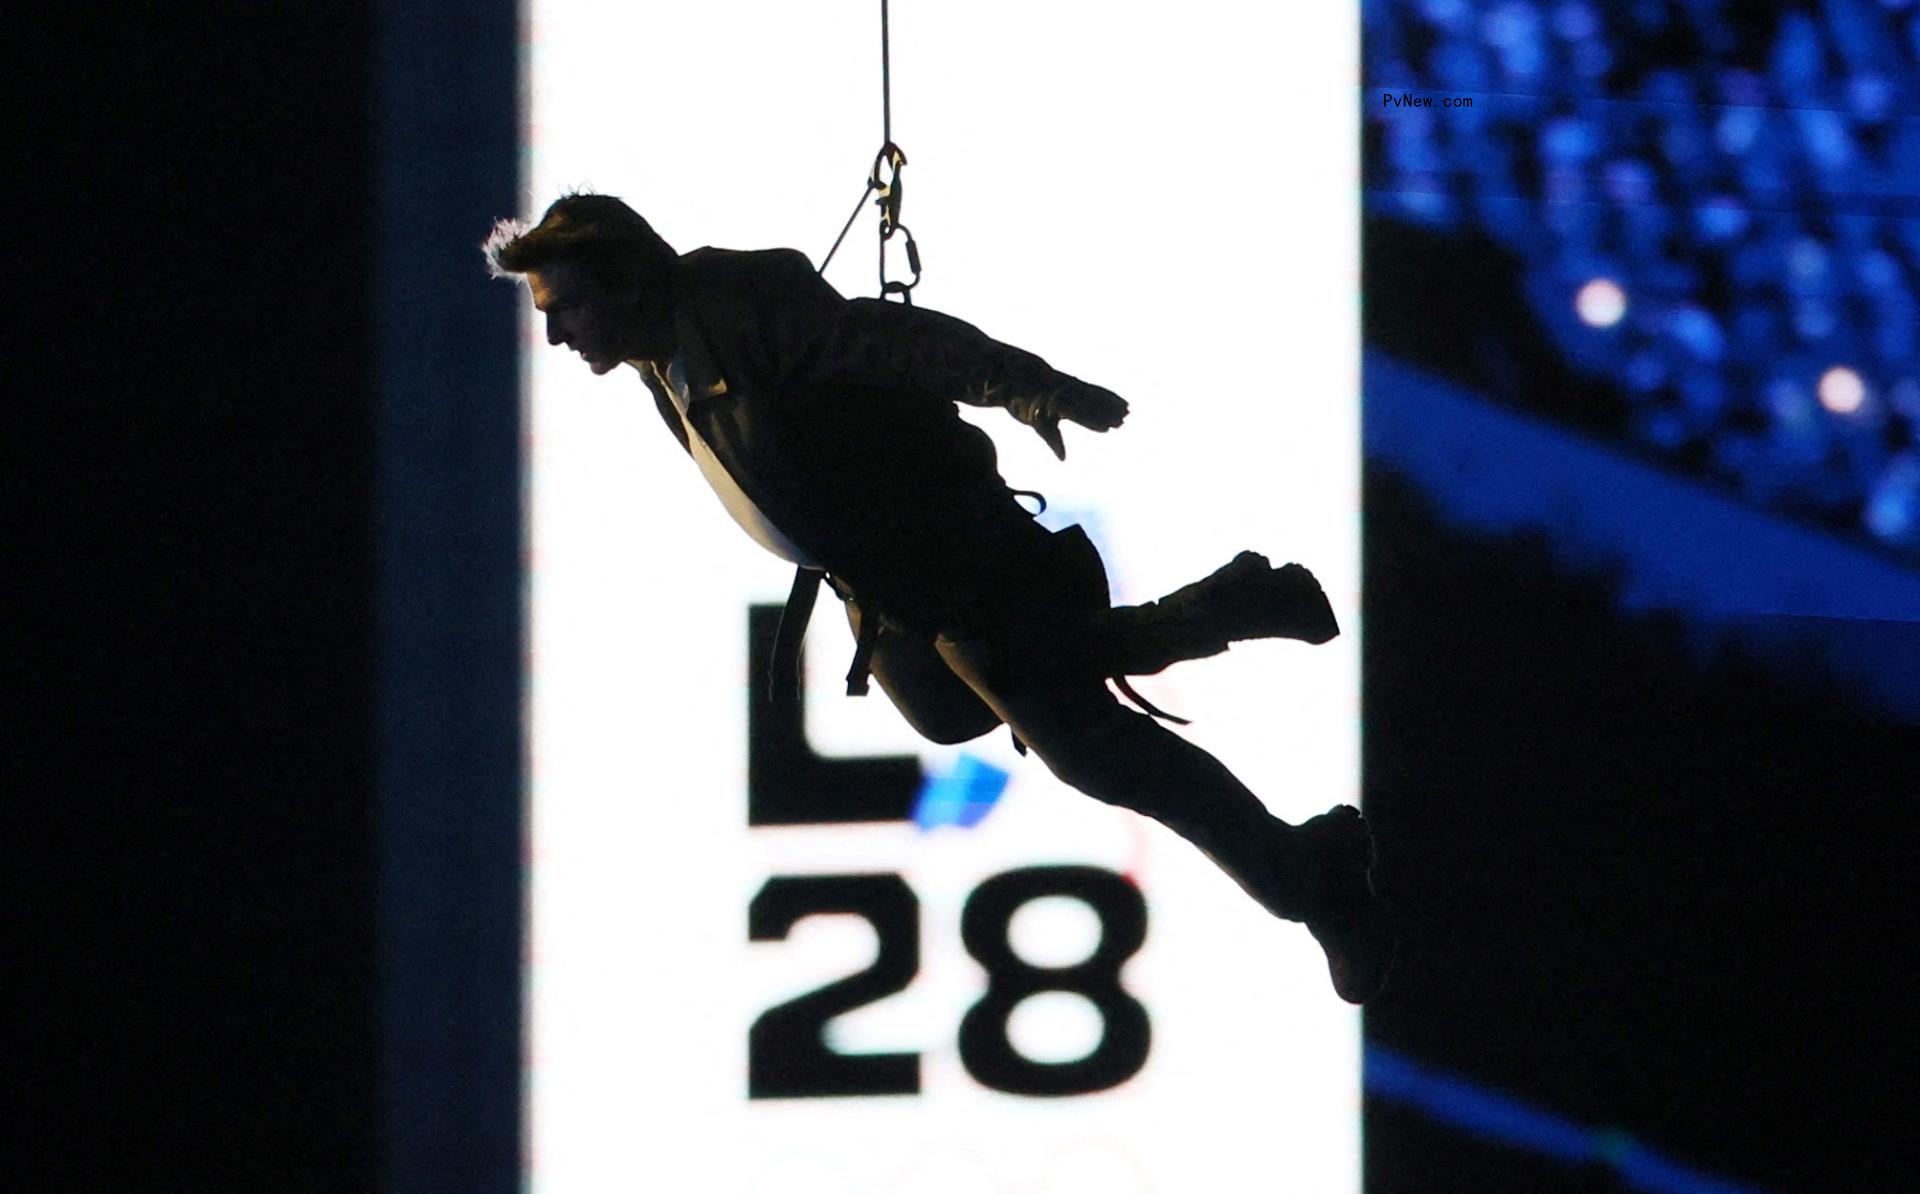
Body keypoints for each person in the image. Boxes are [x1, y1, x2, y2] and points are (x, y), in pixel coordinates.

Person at [484, 192, 1393, 1002]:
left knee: (1091, 749)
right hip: (888, 589)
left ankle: (1312, 874)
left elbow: (891, 341)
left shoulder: (733, 305)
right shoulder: (659, 359)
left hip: (950, 557)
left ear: (622, 280)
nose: (557, 334)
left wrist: (1021, 385)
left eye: (563, 308)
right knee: (955, 712)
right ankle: (1218, 611)